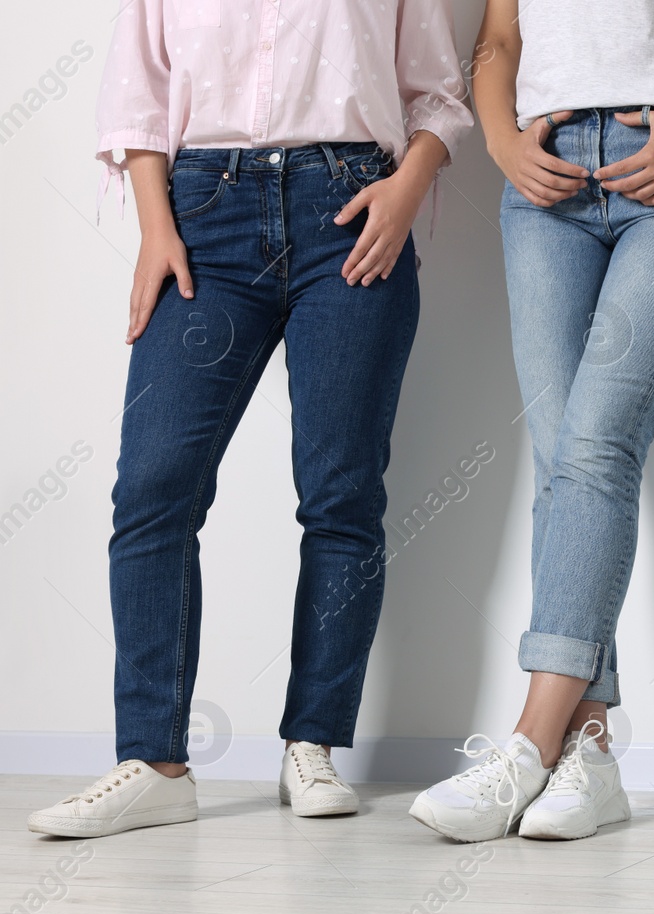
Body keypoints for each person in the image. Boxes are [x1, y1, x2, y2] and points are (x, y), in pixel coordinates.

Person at [27, 0, 472, 839]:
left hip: (351, 209)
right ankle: (154, 760)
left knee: (341, 493)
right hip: (205, 216)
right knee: (154, 487)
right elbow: (139, 96)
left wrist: (407, 190)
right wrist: (158, 228)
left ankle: (313, 741)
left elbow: (437, 95)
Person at [409, 0, 654, 843]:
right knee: (563, 460)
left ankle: (525, 744)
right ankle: (587, 756)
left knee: (594, 444)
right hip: (543, 181)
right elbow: (500, 40)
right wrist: (507, 142)